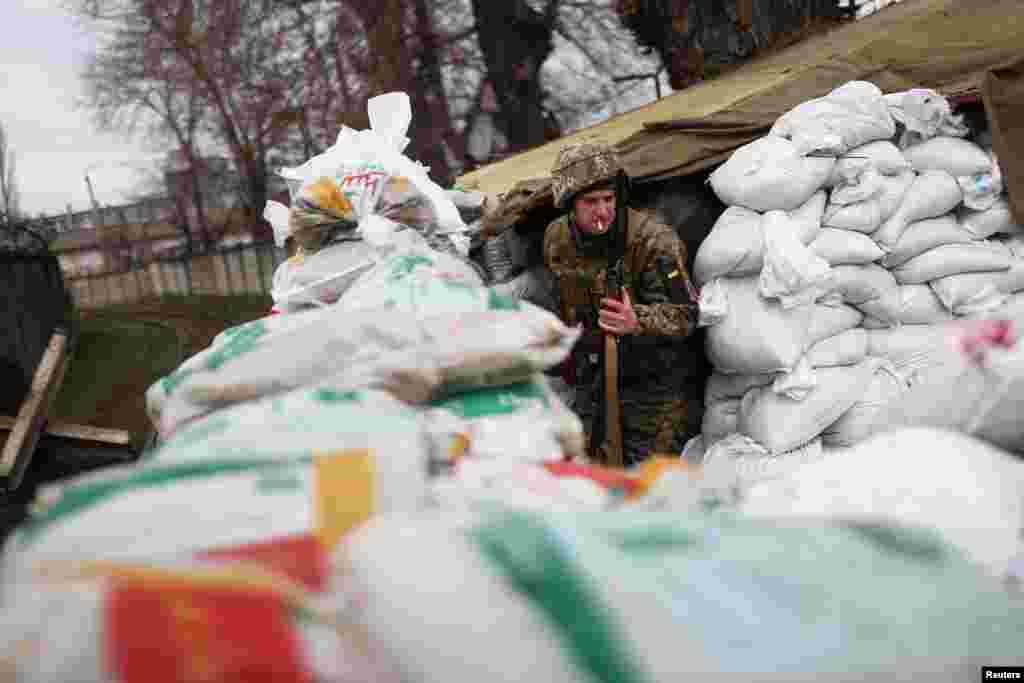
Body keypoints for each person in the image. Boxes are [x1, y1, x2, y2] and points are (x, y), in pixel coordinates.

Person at [544, 142, 701, 466]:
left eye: (608, 199)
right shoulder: (557, 239)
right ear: (570, 205)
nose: (602, 211)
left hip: (655, 388)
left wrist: (637, 320)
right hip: (595, 383)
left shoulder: (654, 240)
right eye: (590, 202)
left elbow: (687, 315)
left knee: (649, 482)